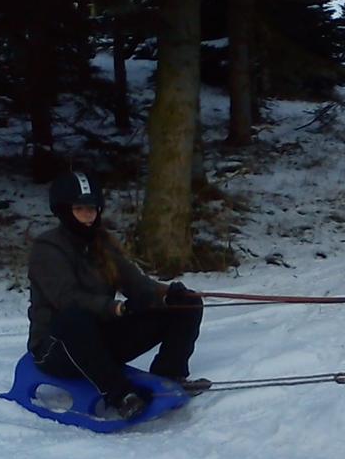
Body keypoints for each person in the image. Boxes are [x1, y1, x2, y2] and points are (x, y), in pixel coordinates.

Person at [27, 170, 209, 420]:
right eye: (80, 209)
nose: (88, 215)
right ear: (64, 210)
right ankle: (119, 394)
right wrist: (116, 308)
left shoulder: (103, 244)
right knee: (74, 318)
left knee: (185, 304)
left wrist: (167, 294)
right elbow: (66, 298)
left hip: (100, 340)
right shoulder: (47, 248)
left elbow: (135, 283)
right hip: (57, 348)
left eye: (92, 209)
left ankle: (169, 376)